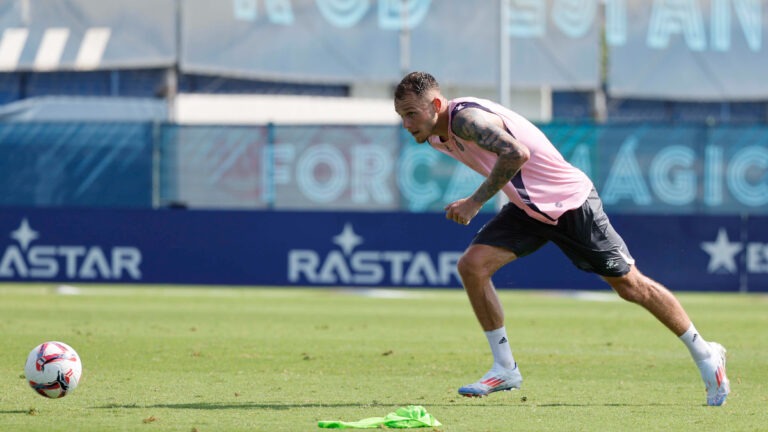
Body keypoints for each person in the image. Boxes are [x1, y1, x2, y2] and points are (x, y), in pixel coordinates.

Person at [393, 71, 730, 406]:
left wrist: (474, 202)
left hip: (569, 203)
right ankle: (505, 367)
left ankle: (706, 353)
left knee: (631, 286)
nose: (407, 124)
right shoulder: (436, 135)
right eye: (401, 116)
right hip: (529, 208)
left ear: (436, 104)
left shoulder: (466, 120)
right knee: (472, 266)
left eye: (412, 113)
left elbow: (516, 153)